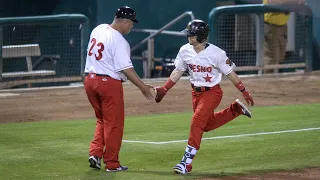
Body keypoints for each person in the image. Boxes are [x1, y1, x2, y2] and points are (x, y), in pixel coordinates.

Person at [154, 19, 254, 174]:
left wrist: (244, 90)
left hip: (212, 93)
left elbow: (230, 74)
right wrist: (164, 89)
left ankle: (186, 163)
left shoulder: (217, 53)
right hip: (195, 93)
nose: (188, 37)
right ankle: (235, 110)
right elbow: (178, 71)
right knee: (206, 125)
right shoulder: (184, 50)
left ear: (200, 36)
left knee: (196, 123)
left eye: (191, 35)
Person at [84, 6, 154, 172]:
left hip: (89, 81)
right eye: (130, 23)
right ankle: (112, 164)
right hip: (107, 85)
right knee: (114, 124)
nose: (131, 26)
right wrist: (143, 88)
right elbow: (127, 70)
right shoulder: (120, 41)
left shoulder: (98, 29)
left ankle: (95, 154)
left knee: (102, 119)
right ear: (124, 21)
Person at [263, 0, 305, 73]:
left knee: (280, 59)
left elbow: (301, 2)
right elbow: (272, 2)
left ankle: (276, 82)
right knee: (271, 60)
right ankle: (267, 83)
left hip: (283, 26)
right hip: (271, 27)